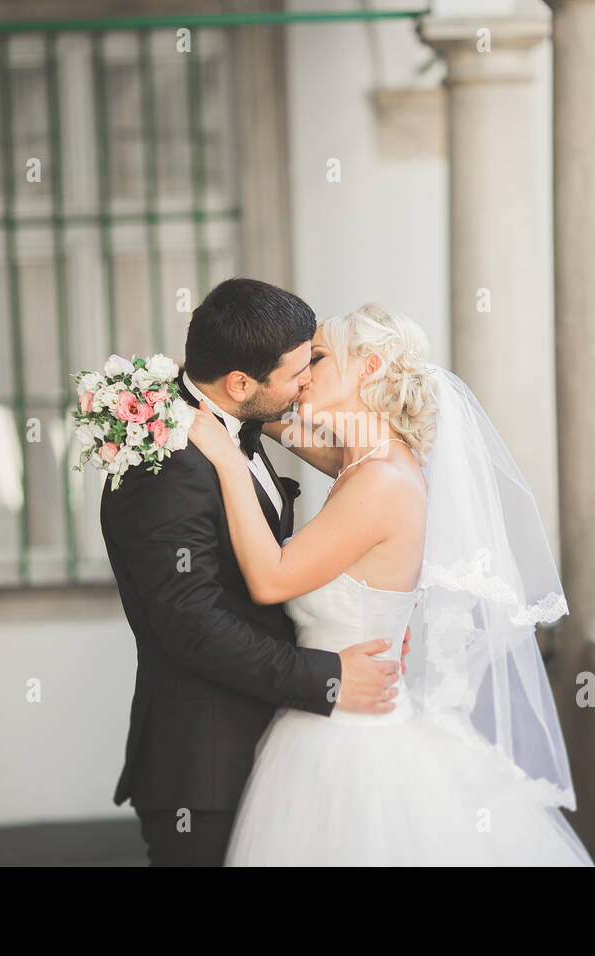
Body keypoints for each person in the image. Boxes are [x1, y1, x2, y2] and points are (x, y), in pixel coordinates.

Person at [188, 301, 593, 865]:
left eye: (319, 357)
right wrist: (185, 392)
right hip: (329, 714)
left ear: (371, 367)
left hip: (352, 739)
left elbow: (271, 578)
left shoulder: (381, 480)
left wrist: (227, 462)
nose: (303, 371)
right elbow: (274, 420)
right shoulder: (360, 460)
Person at [99, 279, 407, 866]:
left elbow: (361, 464)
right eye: (299, 372)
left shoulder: (243, 421)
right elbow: (194, 626)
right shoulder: (166, 465)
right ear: (241, 382)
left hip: (281, 749)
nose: (308, 380)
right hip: (207, 769)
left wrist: (381, 607)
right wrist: (328, 672)